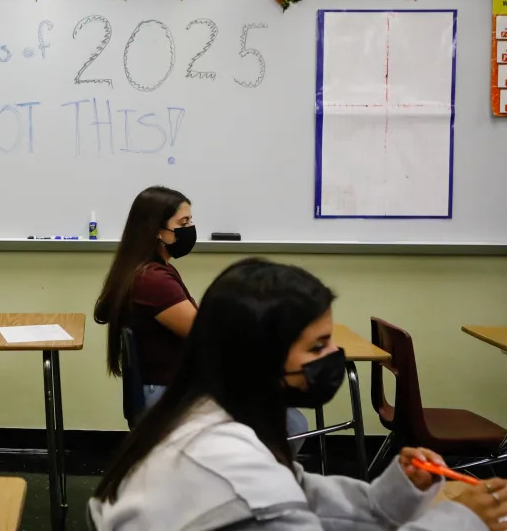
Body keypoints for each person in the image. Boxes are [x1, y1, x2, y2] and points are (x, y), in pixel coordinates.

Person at [89, 258, 504, 531]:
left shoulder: (207, 414)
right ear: (257, 356)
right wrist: (460, 521)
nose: (334, 355)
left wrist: (397, 494)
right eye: (318, 345)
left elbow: (304, 495)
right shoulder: (227, 462)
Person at [93, 187, 308, 445]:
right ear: (157, 231)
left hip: (172, 386)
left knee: (283, 415)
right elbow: (207, 336)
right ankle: (247, 482)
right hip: (167, 393)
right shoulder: (153, 280)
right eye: (183, 223)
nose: (190, 229)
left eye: (191, 221)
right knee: (291, 424)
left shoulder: (152, 271)